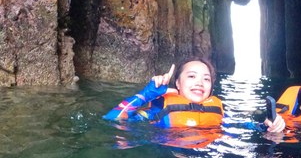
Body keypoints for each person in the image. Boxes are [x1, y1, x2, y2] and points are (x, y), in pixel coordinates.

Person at [104, 57, 285, 132]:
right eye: (191, 76)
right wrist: (146, 95)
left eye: (206, 79)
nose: (199, 83)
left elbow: (246, 125)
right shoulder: (158, 113)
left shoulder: (219, 113)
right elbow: (113, 120)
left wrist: (267, 126)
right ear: (177, 83)